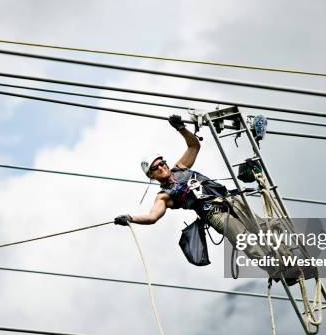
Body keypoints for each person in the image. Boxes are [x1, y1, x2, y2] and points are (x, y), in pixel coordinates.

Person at [114, 115, 274, 272]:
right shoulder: (164, 195)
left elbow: (194, 146)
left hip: (230, 200)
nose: (162, 167)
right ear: (151, 175)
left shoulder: (180, 167)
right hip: (214, 214)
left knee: (264, 229)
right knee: (244, 238)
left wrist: (181, 128)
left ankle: (290, 262)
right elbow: (152, 217)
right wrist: (130, 218)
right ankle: (276, 269)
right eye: (156, 167)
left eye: (162, 163)